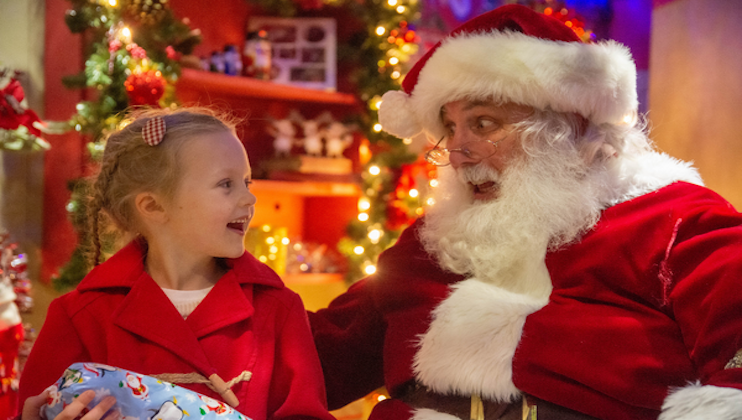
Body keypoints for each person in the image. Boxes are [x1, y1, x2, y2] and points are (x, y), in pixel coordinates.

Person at [308, 4, 742, 420]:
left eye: (482, 124)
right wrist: (240, 274)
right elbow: (314, 358)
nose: (457, 152)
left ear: (564, 127)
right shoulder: (430, 242)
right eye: (449, 128)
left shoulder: (677, 222)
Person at [17, 107, 335, 420]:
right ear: (153, 206)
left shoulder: (279, 310)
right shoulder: (81, 318)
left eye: (247, 183)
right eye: (226, 184)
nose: (249, 199)